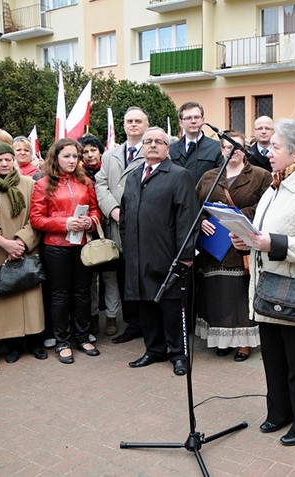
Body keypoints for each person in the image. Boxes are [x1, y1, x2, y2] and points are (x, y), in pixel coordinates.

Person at [230, 119, 295, 447]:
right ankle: (279, 412)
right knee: (274, 358)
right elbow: (265, 230)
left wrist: (272, 244)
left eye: (276, 147)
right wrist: (248, 240)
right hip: (270, 286)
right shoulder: (277, 185)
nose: (268, 151)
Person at [121, 127, 197, 376]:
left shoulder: (179, 175)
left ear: (168, 147)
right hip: (138, 254)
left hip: (167, 255)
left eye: (159, 141)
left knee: (170, 306)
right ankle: (154, 349)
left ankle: (178, 354)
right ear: (142, 146)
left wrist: (185, 255)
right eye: (148, 141)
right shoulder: (133, 176)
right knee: (146, 304)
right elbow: (125, 215)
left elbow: (187, 217)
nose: (153, 145)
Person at [195, 131, 272, 361]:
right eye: (228, 147)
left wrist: (236, 216)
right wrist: (202, 222)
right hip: (214, 246)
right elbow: (194, 205)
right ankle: (223, 339)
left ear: (245, 149)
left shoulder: (260, 175)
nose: (233, 151)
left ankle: (243, 342)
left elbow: (268, 207)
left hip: (241, 243)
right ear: (221, 150)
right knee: (218, 294)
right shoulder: (209, 176)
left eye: (238, 147)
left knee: (239, 294)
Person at [30, 138, 102, 364]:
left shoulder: (85, 182)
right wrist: (65, 223)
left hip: (81, 245)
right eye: (66, 156)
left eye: (75, 156)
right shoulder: (43, 184)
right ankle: (62, 341)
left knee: (82, 292)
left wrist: (89, 222)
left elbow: (95, 210)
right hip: (56, 247)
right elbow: (37, 219)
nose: (72, 161)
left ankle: (82, 336)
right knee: (60, 294)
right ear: (56, 158)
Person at [0, 142, 47, 363]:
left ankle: (36, 343)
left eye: (8, 159)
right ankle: (13, 346)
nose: (4, 163)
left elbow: (36, 216)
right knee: (5, 301)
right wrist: (3, 242)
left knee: (30, 299)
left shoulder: (29, 184)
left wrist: (20, 241)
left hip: (26, 249)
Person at [95, 106, 147, 343]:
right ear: (124, 125)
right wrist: (113, 210)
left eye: (138, 121)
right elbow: (101, 184)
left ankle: (148, 324)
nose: (133, 124)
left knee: (143, 274)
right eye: (129, 121)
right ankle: (133, 323)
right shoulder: (110, 155)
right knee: (123, 274)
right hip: (117, 225)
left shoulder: (152, 151)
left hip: (143, 225)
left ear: (146, 125)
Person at [80, 134, 120, 337]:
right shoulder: (78, 175)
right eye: (85, 152)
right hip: (88, 230)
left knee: (110, 276)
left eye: (92, 150)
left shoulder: (108, 170)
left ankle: (112, 317)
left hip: (109, 229)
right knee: (91, 278)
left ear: (100, 151)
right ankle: (94, 316)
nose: (89, 155)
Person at [169, 101, 224, 184]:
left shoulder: (216, 148)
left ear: (203, 120)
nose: (193, 121)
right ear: (180, 122)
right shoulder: (171, 149)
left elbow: (222, 179)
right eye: (188, 118)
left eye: (197, 117)